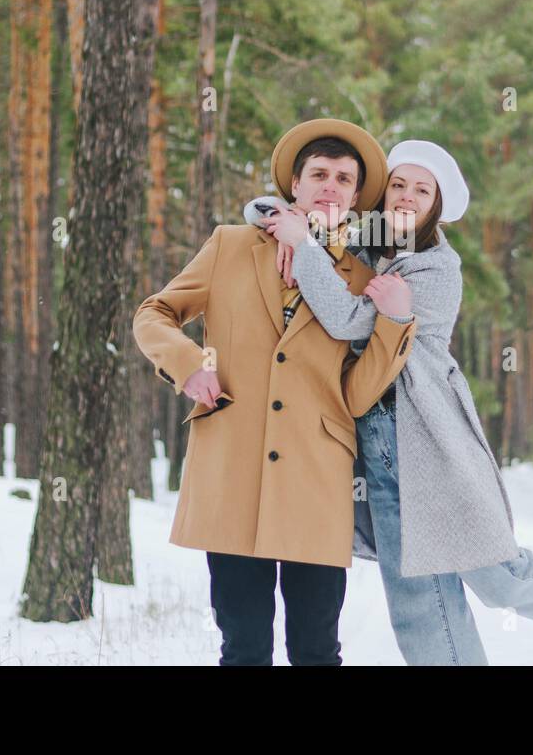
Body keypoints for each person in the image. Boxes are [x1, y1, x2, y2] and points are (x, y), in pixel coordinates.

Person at [245, 139, 533, 665]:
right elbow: (290, 211)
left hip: (430, 440)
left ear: (435, 207)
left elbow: (351, 321)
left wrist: (303, 248)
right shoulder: (363, 249)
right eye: (398, 185)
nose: (406, 197)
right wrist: (275, 219)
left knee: (499, 577)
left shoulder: (436, 268)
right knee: (420, 607)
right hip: (373, 451)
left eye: (422, 191)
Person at [132, 118, 418, 665]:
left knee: (316, 650)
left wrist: (395, 324)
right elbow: (155, 313)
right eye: (319, 174)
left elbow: (356, 396)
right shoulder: (231, 246)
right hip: (232, 471)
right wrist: (189, 364)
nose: (330, 186)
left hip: (318, 479)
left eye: (343, 178)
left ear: (356, 197)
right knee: (243, 648)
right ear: (295, 185)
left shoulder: (361, 279)